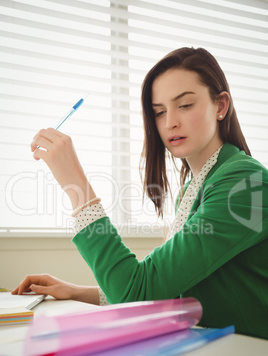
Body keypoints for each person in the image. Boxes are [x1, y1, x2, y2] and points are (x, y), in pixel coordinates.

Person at [12, 47, 268, 339]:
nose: (170, 122)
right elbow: (164, 289)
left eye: (184, 105)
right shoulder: (193, 186)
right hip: (216, 348)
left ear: (221, 106)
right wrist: (76, 291)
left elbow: (136, 291)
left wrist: (75, 183)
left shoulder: (245, 184)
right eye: (159, 112)